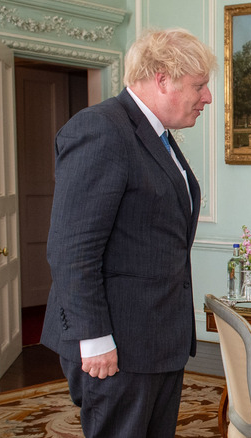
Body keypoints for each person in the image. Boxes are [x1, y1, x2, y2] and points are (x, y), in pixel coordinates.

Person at [40, 28, 216, 437]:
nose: (206, 97)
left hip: (156, 340)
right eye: (200, 85)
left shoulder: (157, 136)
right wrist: (95, 338)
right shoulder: (101, 129)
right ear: (162, 78)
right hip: (117, 343)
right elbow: (71, 250)